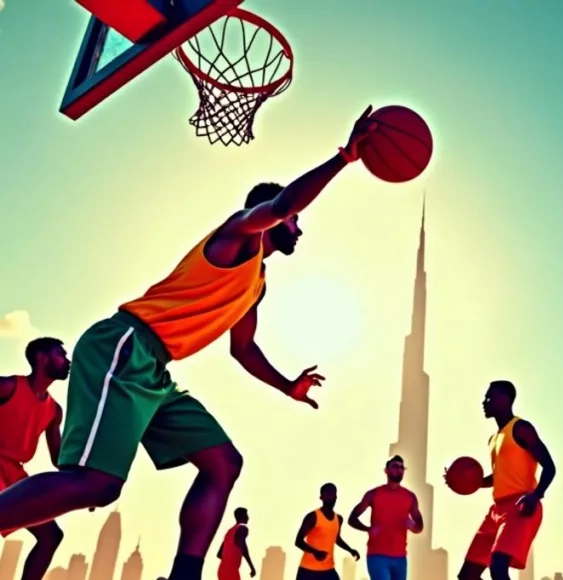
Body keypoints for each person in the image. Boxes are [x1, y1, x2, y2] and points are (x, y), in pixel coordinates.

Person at [0, 107, 378, 580]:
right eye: (296, 220)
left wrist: (288, 387)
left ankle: (185, 575)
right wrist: (344, 157)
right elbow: (280, 208)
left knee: (223, 463)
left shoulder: (255, 284)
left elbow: (244, 350)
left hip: (156, 371)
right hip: (124, 344)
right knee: (96, 484)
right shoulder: (238, 236)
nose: (298, 228)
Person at [447, 380, 555, 580]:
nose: (484, 401)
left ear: (505, 400)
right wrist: (464, 481)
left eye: (489, 396)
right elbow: (498, 477)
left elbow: (549, 466)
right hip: (496, 511)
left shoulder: (521, 428)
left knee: (498, 567)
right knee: (467, 576)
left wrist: (536, 496)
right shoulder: (493, 439)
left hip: (520, 506)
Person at [0, 338, 70, 580]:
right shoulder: (8, 386)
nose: (67, 361)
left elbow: (58, 458)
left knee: (51, 536)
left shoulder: (54, 410)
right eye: (61, 355)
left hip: (14, 476)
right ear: (42, 358)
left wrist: (88, 481)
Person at [348, 455, 424, 580]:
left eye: (401, 467)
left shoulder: (410, 497)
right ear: (386, 470)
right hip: (377, 555)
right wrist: (368, 529)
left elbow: (420, 527)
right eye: (395, 466)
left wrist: (413, 526)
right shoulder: (373, 494)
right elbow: (352, 519)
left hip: (400, 557)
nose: (398, 470)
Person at [296, 483, 360, 580]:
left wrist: (350, 550)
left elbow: (337, 539)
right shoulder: (312, 517)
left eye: (333, 493)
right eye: (327, 494)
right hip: (308, 571)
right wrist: (315, 552)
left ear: (336, 497)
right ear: (321, 497)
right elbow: (298, 541)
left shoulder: (338, 519)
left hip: (328, 570)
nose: (331, 496)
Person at [217, 507, 255, 580]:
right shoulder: (242, 528)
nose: (248, 517)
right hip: (231, 570)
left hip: (222, 570)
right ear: (242, 516)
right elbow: (243, 547)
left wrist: (229, 559)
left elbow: (219, 554)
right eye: (246, 515)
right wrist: (251, 567)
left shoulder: (229, 532)